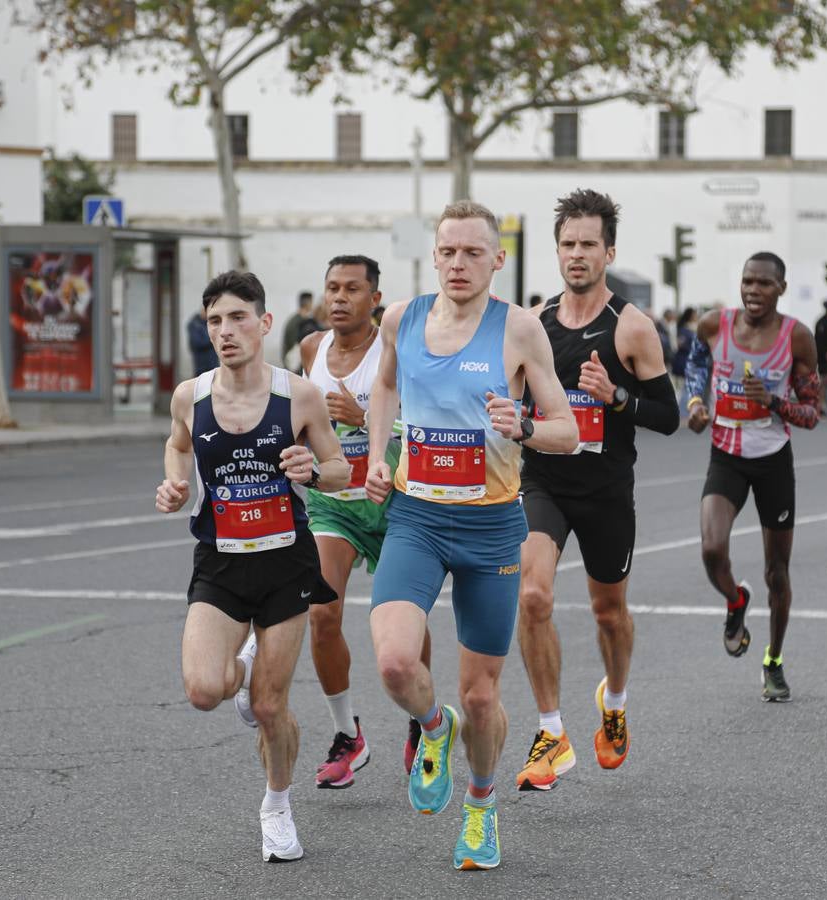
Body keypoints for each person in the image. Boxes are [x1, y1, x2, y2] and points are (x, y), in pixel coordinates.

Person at [364, 200, 578, 871]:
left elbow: (567, 433)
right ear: (435, 254)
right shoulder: (402, 318)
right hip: (417, 519)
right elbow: (384, 389)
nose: (459, 264)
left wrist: (522, 427)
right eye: (449, 252)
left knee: (482, 696)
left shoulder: (518, 331)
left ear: (497, 259)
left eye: (473, 253)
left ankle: (481, 806)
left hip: (490, 528)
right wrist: (378, 456)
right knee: (397, 663)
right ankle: (434, 728)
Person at [155, 270, 350, 864]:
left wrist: (311, 472)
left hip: (286, 563)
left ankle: (277, 806)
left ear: (264, 323)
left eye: (238, 318)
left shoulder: (300, 397)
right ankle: (242, 664)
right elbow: (178, 443)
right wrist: (175, 483)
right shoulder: (190, 394)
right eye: (215, 320)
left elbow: (341, 468)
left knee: (270, 706)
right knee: (202, 690)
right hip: (221, 563)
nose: (225, 331)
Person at [514, 190, 678, 793]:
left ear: (609, 251)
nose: (576, 255)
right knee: (533, 596)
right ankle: (552, 732)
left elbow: (667, 414)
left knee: (610, 612)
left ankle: (615, 700)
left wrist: (616, 397)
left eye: (588, 244)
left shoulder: (632, 328)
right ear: (556, 250)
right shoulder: (532, 324)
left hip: (607, 489)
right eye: (567, 244)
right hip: (545, 482)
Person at [297, 254, 433, 788]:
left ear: (375, 299)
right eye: (332, 287)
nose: (338, 298)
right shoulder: (311, 349)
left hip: (398, 498)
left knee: (406, 625)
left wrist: (367, 418)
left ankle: (422, 721)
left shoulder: (394, 349)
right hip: (334, 503)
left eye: (352, 289)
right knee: (321, 614)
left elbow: (429, 418)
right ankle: (347, 733)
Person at [684, 253, 820, 702]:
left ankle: (774, 661)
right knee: (710, 549)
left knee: (776, 573)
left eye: (764, 284)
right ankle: (734, 601)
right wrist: (696, 405)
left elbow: (812, 413)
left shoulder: (797, 337)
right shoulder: (714, 325)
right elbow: (695, 367)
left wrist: (774, 403)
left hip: (772, 460)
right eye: (747, 282)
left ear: (781, 288)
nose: (753, 291)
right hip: (726, 454)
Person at [281, 291, 318, 368]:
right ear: (308, 303)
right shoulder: (299, 323)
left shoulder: (295, 320)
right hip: (294, 368)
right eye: (312, 302)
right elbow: (295, 347)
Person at [672, 307, 698, 410]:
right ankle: (680, 409)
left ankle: (683, 409)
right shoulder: (684, 329)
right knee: (682, 387)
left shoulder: (694, 327)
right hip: (683, 361)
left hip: (691, 361)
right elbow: (680, 344)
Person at [186, 308, 218, 375]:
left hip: (213, 363)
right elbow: (197, 343)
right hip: (201, 365)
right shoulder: (194, 324)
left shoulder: (209, 323)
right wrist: (212, 338)